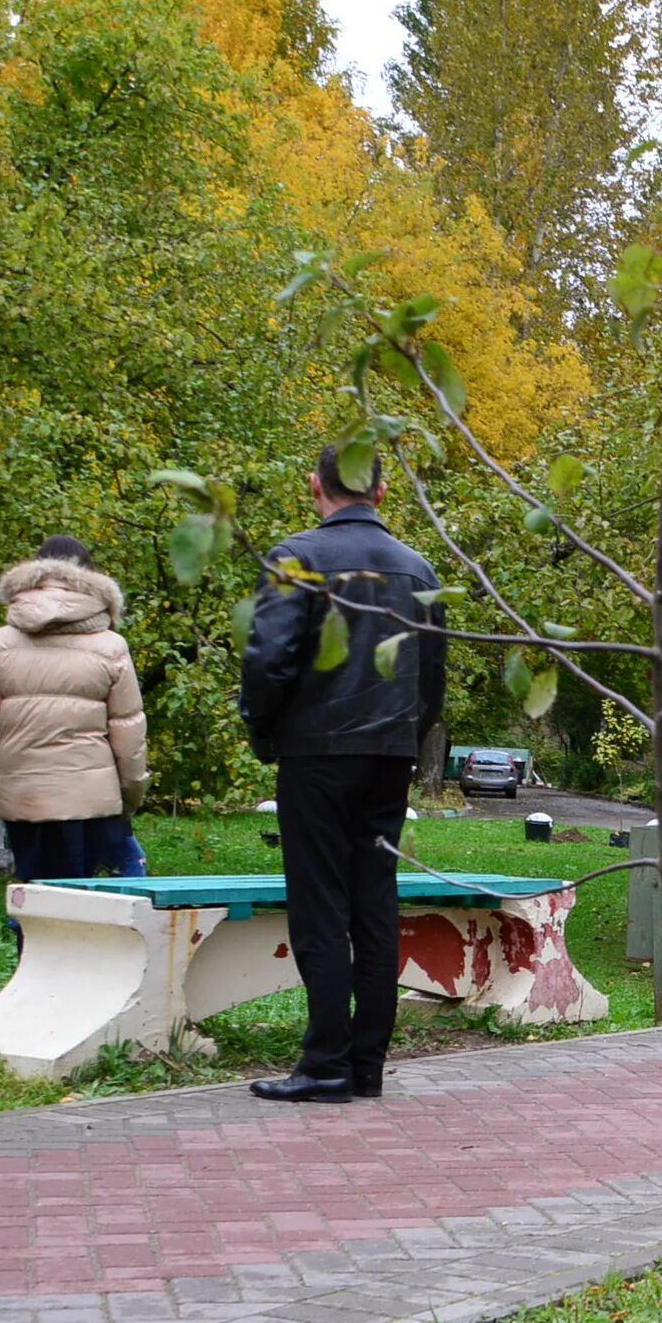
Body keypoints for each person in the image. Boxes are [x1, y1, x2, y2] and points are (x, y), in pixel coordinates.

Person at [238, 446, 447, 1102]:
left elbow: (269, 658)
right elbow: (433, 681)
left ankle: (325, 1061)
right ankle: (365, 1065)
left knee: (321, 905)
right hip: (388, 753)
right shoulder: (419, 568)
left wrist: (265, 732)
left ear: (314, 485)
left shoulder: (296, 557)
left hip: (316, 752)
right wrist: (404, 742)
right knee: (375, 904)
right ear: (382, 490)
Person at [0, 534, 146, 882]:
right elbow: (129, 736)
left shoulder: (3, 642)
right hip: (92, 799)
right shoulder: (111, 645)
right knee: (85, 907)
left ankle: (26, 936)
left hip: (23, 794)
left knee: (33, 902)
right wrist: (128, 798)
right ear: (91, 578)